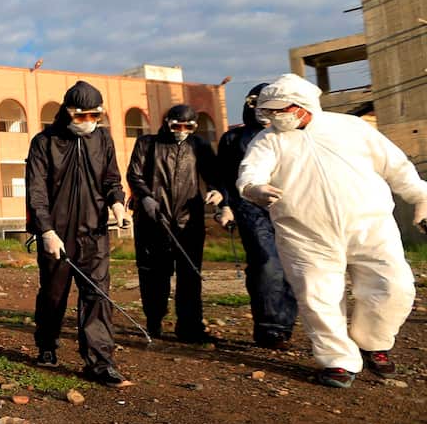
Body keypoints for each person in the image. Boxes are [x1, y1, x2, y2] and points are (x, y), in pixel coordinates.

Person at [237, 73, 427, 388]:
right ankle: (338, 361)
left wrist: (421, 197)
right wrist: (253, 188)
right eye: (267, 111)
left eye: (279, 110)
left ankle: (373, 342)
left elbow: (396, 166)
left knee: (396, 287)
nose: (273, 116)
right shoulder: (268, 140)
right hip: (304, 233)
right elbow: (250, 172)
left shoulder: (351, 128)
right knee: (318, 297)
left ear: (303, 105)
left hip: (370, 225)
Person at [26, 81, 133, 386]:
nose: (88, 122)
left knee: (98, 295)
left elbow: (111, 178)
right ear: (67, 112)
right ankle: (47, 344)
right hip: (56, 234)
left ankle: (100, 363)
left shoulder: (103, 138)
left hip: (94, 232)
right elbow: (36, 191)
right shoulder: (44, 142)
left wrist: (117, 204)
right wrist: (46, 230)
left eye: (94, 116)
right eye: (81, 116)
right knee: (53, 294)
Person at [126, 104, 223, 343]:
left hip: (188, 220)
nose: (181, 131)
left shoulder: (198, 145)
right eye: (176, 126)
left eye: (187, 127)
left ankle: (190, 327)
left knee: (190, 274)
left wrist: (216, 191)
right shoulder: (147, 144)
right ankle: (154, 320)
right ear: (166, 122)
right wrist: (145, 197)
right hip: (153, 219)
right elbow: (134, 174)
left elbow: (213, 174)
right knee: (154, 274)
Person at [215, 84, 297, 348]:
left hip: (289, 207)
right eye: (255, 103)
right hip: (250, 208)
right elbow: (224, 176)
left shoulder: (292, 136)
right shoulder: (233, 138)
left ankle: (284, 325)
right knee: (266, 263)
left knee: (292, 265)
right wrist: (226, 205)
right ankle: (269, 327)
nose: (261, 110)